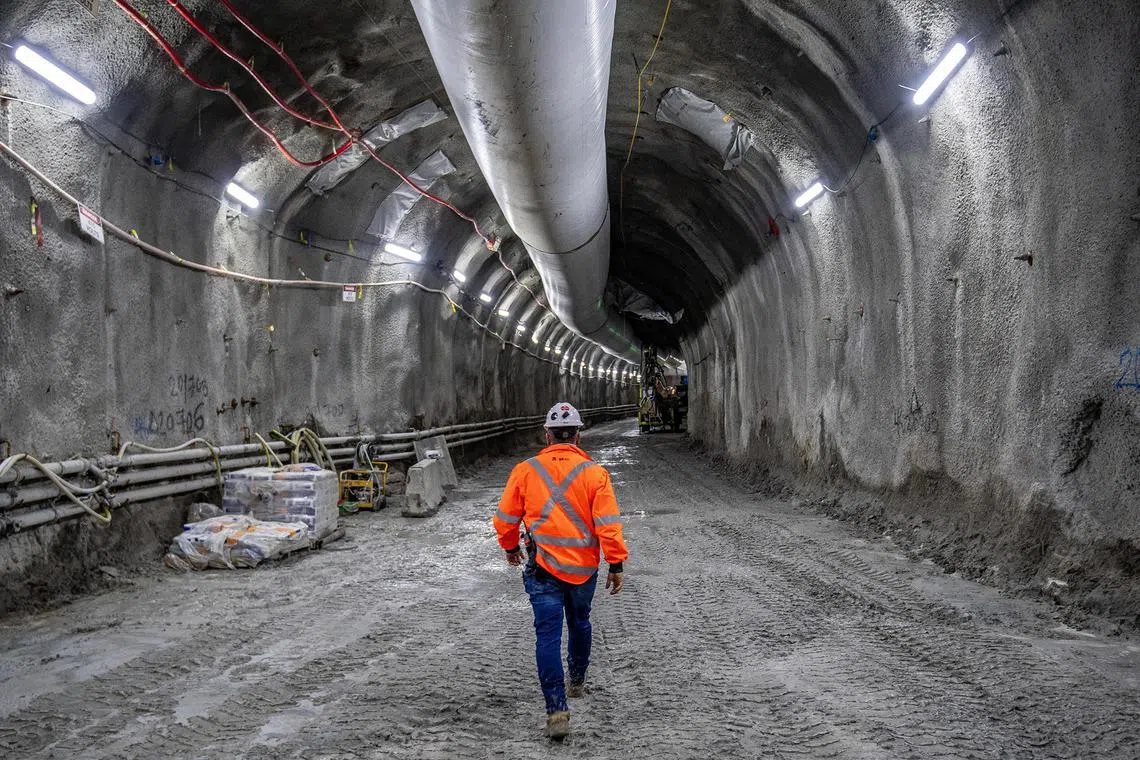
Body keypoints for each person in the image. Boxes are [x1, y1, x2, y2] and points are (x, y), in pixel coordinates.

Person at [493, 401, 629, 739]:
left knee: (547, 636)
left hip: (542, 570)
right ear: (579, 437)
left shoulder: (525, 470)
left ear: (547, 435)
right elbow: (607, 525)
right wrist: (615, 563)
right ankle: (578, 681)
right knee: (580, 622)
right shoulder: (595, 474)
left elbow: (506, 518)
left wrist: (510, 547)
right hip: (583, 570)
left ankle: (556, 711)